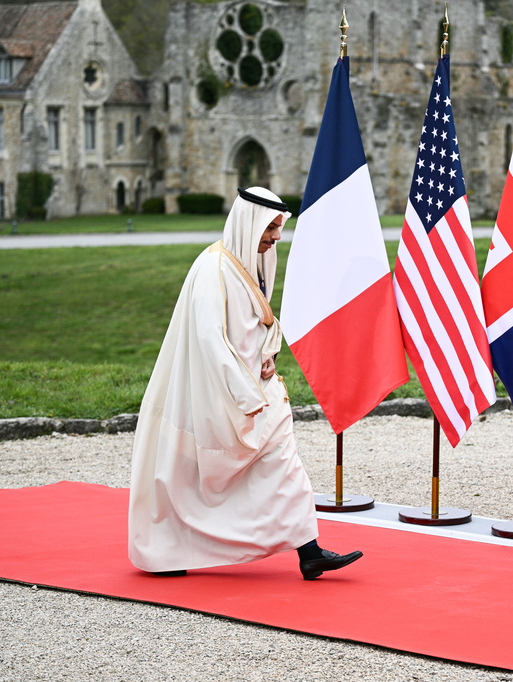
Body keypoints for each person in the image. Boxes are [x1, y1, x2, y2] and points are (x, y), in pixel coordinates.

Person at [128, 186, 361, 580]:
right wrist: (243, 392)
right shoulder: (213, 270)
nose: (276, 237)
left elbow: (259, 323)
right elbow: (209, 338)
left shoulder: (247, 264)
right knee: (186, 473)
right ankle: (169, 549)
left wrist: (267, 355)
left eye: (278, 227)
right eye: (270, 228)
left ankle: (309, 551)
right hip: (218, 393)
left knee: (284, 461)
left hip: (258, 390)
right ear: (250, 224)